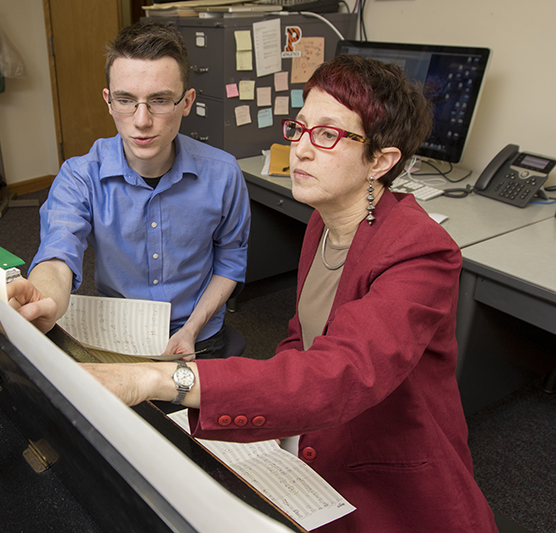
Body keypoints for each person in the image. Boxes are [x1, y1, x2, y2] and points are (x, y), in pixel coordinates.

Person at [79, 54, 498, 531]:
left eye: (328, 135)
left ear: (380, 161)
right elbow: (303, 340)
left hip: (392, 475)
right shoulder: (325, 219)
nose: (299, 150)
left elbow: (340, 372)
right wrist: (274, 424)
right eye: (299, 129)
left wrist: (160, 379)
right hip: (317, 436)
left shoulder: (421, 253)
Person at [7, 21, 251, 359]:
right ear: (108, 101)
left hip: (198, 332)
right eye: (126, 100)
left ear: (187, 101)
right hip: (119, 334)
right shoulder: (79, 176)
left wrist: (191, 329)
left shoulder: (224, 174)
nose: (141, 121)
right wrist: (45, 298)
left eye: (160, 101)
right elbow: (58, 252)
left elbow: (230, 261)